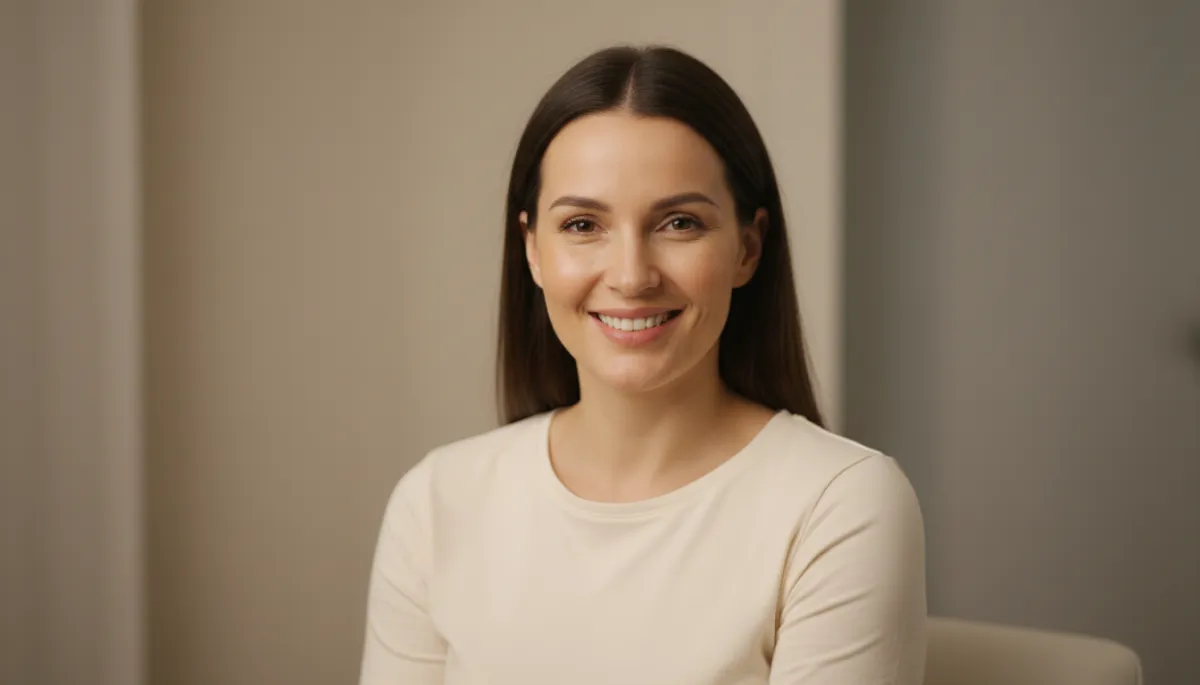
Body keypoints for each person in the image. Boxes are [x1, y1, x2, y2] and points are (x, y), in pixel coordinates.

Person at [359, 45, 926, 685]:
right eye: (582, 225)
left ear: (748, 246)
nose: (631, 276)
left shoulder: (841, 503)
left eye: (679, 222)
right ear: (532, 251)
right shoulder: (436, 503)